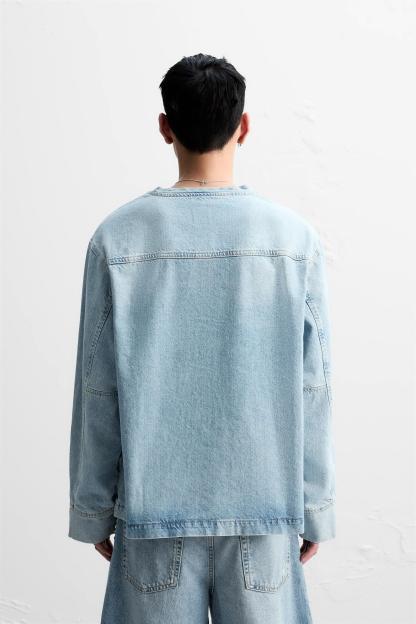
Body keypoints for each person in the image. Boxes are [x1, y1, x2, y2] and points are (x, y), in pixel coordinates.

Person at [68, 53, 336, 624]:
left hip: (153, 514)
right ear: (244, 126)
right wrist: (315, 507)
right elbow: (312, 388)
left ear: (165, 127)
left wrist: (93, 509)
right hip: (263, 513)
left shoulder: (117, 238)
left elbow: (98, 387)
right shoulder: (294, 240)